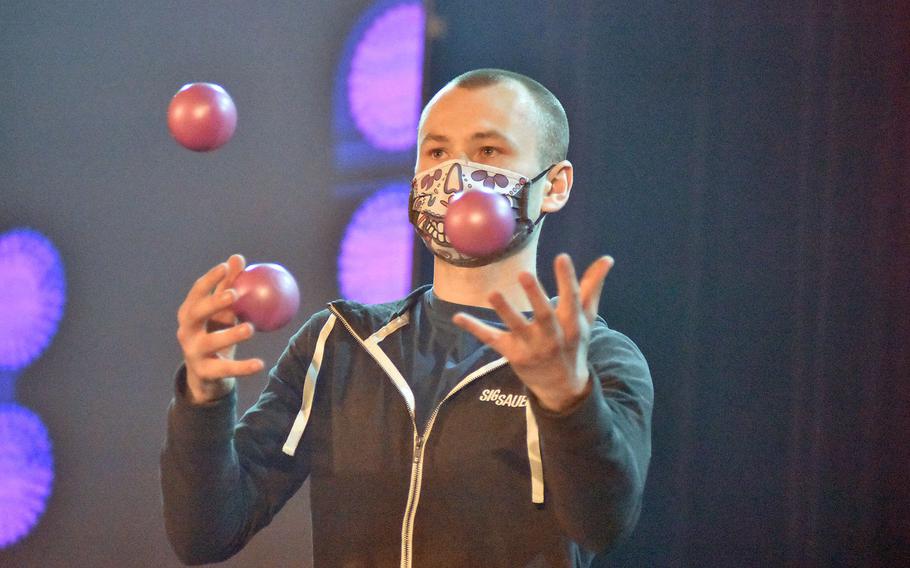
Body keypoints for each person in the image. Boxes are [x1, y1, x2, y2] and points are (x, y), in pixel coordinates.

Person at [161, 68, 653, 568]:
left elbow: (603, 523)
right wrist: (204, 398)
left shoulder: (595, 357)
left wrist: (567, 401)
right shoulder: (340, 344)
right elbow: (206, 535)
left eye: (488, 152)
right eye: (437, 153)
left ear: (555, 185)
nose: (456, 176)